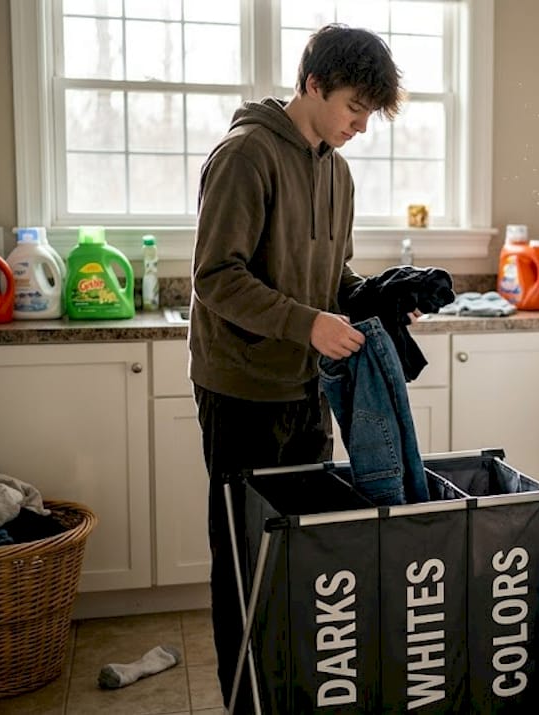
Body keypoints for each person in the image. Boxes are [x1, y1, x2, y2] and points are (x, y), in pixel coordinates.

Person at [187, 24, 402, 712]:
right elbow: (216, 277)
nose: (360, 127)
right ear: (312, 84)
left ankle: (293, 695)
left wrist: (380, 294)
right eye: (353, 109)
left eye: (369, 115)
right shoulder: (246, 155)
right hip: (241, 389)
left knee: (305, 554)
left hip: (308, 389)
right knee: (246, 561)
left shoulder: (337, 170)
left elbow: (328, 276)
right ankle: (244, 700)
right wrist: (306, 323)